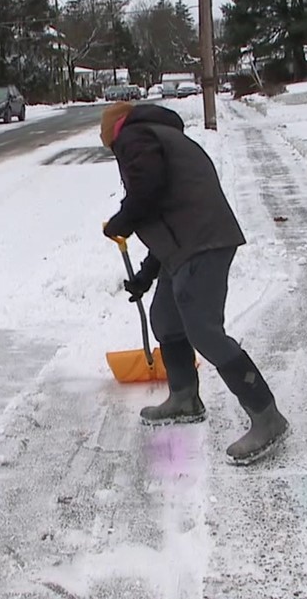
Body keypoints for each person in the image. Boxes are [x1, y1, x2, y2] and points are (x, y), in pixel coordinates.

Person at [100, 101, 289, 465]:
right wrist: (145, 274)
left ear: (113, 131)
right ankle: (184, 397)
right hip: (189, 242)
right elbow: (164, 210)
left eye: (107, 144)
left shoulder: (135, 137)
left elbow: (147, 191)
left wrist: (123, 219)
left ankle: (268, 417)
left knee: (204, 330)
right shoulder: (157, 136)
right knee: (166, 320)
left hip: (202, 241)